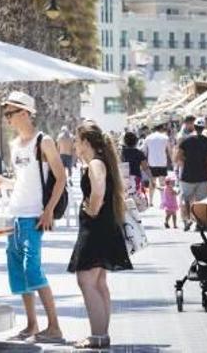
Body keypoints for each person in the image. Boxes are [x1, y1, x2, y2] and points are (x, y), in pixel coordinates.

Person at [0, 91, 66, 343]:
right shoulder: (14, 145)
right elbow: (23, 181)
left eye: (10, 113)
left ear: (24, 112)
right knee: (18, 271)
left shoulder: (44, 141)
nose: (7, 118)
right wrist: (4, 182)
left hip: (34, 214)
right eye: (6, 114)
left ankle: (54, 327)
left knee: (32, 269)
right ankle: (32, 325)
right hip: (14, 213)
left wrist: (49, 210)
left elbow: (61, 178)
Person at [69, 120, 132, 349]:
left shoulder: (95, 163)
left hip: (95, 228)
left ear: (85, 141)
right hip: (104, 226)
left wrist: (92, 209)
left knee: (86, 280)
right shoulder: (102, 162)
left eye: (77, 141)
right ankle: (101, 334)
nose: (75, 145)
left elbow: (98, 192)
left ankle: (97, 335)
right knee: (99, 282)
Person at [175, 117, 207, 231]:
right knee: (201, 201)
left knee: (185, 198)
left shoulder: (185, 140)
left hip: (187, 175)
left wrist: (184, 164)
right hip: (203, 176)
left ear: (194, 126)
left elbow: (178, 157)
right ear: (203, 128)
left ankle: (187, 219)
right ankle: (199, 223)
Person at [142, 124, 170, 197]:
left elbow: (144, 151)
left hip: (152, 163)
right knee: (162, 183)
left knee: (152, 183)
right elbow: (169, 150)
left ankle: (151, 202)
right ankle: (163, 201)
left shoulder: (148, 138)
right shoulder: (165, 137)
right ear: (161, 129)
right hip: (162, 162)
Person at [121, 131, 151, 199]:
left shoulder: (121, 153)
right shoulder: (139, 153)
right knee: (136, 198)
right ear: (135, 142)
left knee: (126, 198)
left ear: (125, 142)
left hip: (124, 178)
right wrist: (151, 178)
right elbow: (145, 167)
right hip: (136, 178)